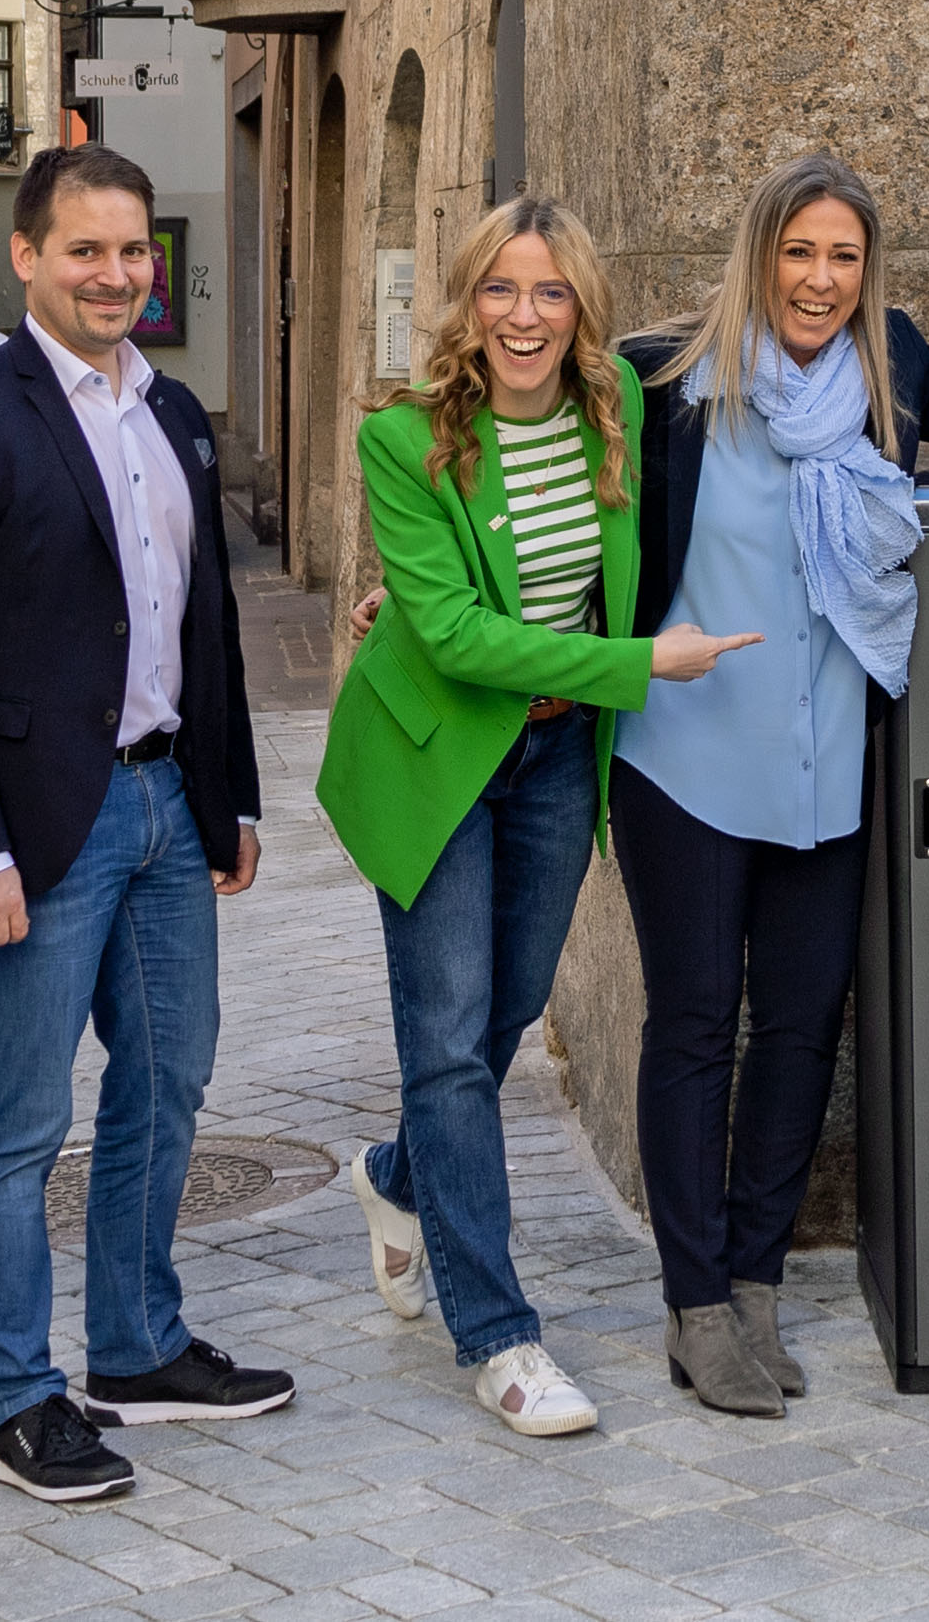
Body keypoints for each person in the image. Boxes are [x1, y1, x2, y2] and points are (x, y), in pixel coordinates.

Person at [615, 151, 929, 1414]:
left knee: (795, 1031)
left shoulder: (885, 371)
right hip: (682, 758)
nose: (820, 281)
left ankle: (756, 1283)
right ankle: (692, 1305)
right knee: (690, 1028)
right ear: (757, 256)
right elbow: (529, 479)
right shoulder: (663, 383)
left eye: (842, 256)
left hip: (826, 767)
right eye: (798, 253)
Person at [0, 144, 289, 1505]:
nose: (115, 274)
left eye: (133, 251)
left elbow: (204, 622)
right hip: (34, 826)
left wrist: (225, 789)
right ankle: (18, 1398)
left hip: (169, 796)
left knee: (169, 1077)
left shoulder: (171, 410)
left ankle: (137, 1342)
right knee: (14, 1117)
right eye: (86, 250)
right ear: (28, 255)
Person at [318, 198, 761, 1437]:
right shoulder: (407, 442)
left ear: (582, 310)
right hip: (439, 756)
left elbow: (798, 328)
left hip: (558, 756)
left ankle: (397, 1177)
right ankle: (499, 1336)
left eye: (550, 292)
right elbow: (454, 631)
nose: (524, 316)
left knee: (501, 1014)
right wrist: (644, 665)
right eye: (501, 291)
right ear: (466, 303)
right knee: (451, 1044)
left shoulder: (615, 402)